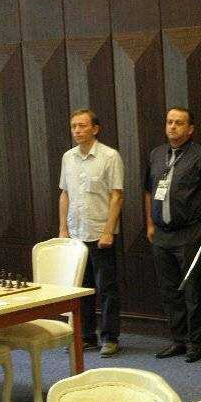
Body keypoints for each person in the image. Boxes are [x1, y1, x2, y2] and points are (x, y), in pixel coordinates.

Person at [144, 107, 201, 363]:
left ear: (190, 129)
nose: (172, 127)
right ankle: (178, 340)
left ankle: (195, 343)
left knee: (192, 292)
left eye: (178, 123)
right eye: (169, 122)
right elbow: (148, 191)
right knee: (169, 291)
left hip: (190, 233)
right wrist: (150, 224)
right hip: (161, 234)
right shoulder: (156, 154)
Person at [59, 108, 124, 357]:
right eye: (74, 126)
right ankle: (86, 336)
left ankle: (110, 337)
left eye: (82, 126)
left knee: (106, 288)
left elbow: (117, 196)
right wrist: (63, 229)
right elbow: (64, 194)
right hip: (76, 233)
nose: (77, 130)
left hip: (100, 233)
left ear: (95, 129)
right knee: (81, 288)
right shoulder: (68, 157)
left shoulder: (109, 156)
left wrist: (108, 231)